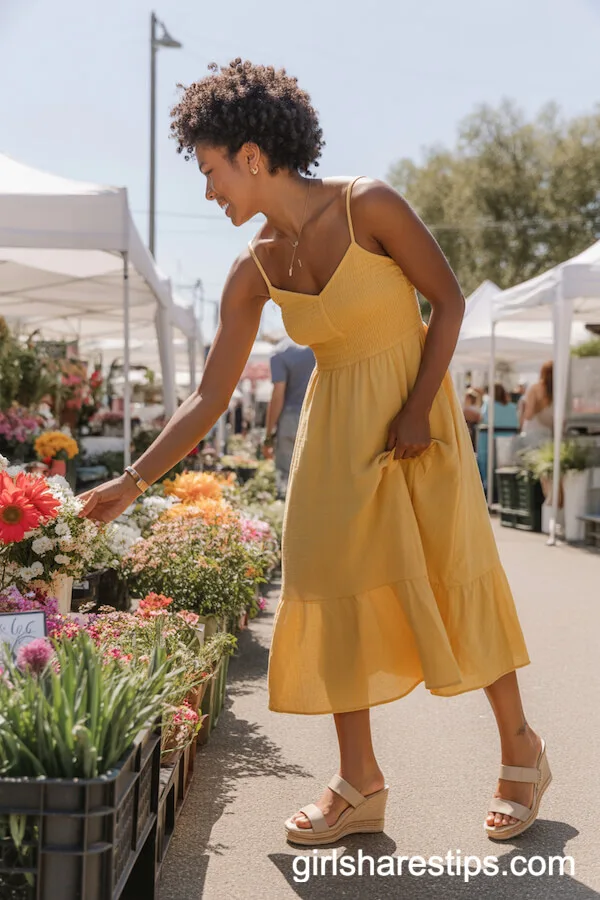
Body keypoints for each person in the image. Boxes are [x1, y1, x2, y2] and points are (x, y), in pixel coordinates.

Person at [77, 59, 550, 847]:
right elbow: (207, 398)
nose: (209, 191)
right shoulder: (251, 269)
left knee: (451, 569)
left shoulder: (369, 204)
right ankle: (358, 781)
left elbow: (450, 298)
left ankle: (520, 751)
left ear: (254, 156)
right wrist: (132, 481)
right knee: (330, 582)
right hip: (335, 434)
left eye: (211, 170)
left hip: (415, 419)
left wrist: (414, 409)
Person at [263, 337, 315, 497]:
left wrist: (269, 434)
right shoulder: (315, 346)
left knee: (286, 475)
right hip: (317, 414)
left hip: (290, 418)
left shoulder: (279, 353)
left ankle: (285, 516)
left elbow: (278, 393)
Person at [520, 361, 553, 441]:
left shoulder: (534, 388)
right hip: (550, 433)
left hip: (533, 431)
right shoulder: (559, 392)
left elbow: (528, 415)